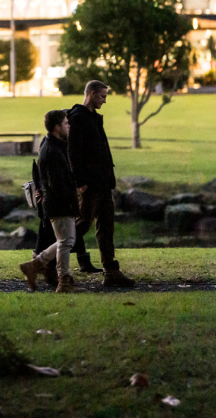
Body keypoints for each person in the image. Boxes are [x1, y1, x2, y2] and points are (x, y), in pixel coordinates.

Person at [69, 80, 135, 289]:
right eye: (102, 96)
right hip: (90, 184)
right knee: (82, 225)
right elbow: (73, 153)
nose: (104, 101)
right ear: (91, 93)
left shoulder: (94, 118)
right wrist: (80, 183)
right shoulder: (78, 118)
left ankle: (111, 271)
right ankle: (45, 259)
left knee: (106, 227)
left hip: (103, 183)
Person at [19, 110, 82, 293]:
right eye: (66, 123)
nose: (69, 126)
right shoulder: (52, 151)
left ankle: (35, 265)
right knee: (65, 242)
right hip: (59, 204)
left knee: (66, 240)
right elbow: (57, 184)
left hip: (59, 204)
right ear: (57, 127)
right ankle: (63, 281)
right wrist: (71, 202)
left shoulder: (56, 145)